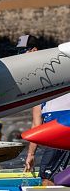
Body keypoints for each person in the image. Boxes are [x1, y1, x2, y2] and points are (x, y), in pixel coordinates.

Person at [20, 36, 70, 186]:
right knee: (61, 180)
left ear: (34, 50)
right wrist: (31, 154)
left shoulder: (57, 71)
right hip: (55, 136)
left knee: (47, 180)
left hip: (60, 135)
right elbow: (37, 125)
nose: (19, 57)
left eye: (22, 52)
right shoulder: (36, 83)